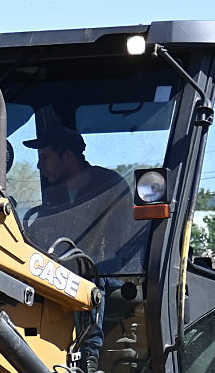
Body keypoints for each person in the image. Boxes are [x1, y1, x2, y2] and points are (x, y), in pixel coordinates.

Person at [19, 107, 140, 273]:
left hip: (101, 279)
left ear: (68, 157)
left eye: (45, 158)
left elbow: (122, 248)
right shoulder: (55, 193)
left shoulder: (108, 186)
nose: (39, 166)